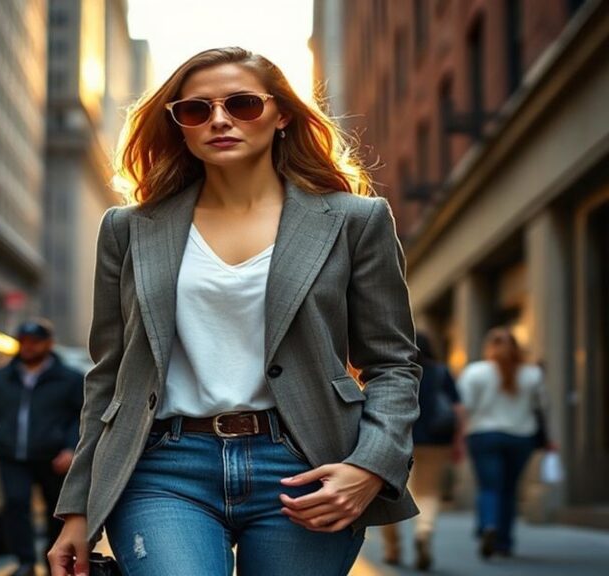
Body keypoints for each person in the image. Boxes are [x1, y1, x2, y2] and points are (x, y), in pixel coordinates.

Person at [47, 46, 421, 576]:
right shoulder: (128, 229)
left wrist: (371, 466)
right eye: (196, 110)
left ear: (281, 113)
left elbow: (393, 364)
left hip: (305, 464)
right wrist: (78, 508)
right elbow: (109, 376)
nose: (219, 120)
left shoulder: (354, 221)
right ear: (179, 126)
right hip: (164, 468)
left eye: (242, 104)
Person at [0, 318, 84, 576]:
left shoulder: (69, 379)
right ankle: (24, 562)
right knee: (15, 504)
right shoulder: (2, 377)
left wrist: (72, 449)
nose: (29, 347)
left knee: (57, 512)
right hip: (12, 456)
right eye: (23, 342)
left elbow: (82, 417)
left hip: (53, 458)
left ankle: (52, 559)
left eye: (35, 342)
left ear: (48, 344)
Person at [458, 326, 545, 559]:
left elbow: (465, 407)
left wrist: (459, 437)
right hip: (521, 437)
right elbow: (541, 407)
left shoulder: (475, 372)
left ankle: (489, 526)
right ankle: (504, 542)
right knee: (509, 488)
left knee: (489, 486)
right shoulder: (532, 374)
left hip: (483, 435)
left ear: (489, 347)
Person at [381, 331, 465, 571]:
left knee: (389, 492)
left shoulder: (395, 370)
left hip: (397, 437)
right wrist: (459, 441)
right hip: (436, 440)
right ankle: (424, 532)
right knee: (428, 492)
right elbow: (457, 408)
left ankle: (392, 549)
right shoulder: (441, 371)